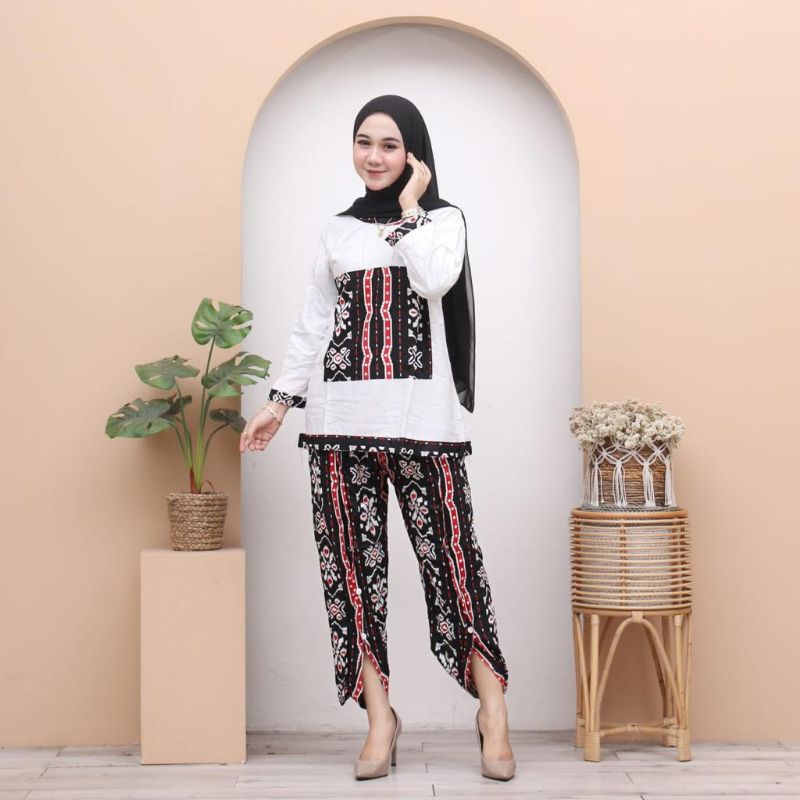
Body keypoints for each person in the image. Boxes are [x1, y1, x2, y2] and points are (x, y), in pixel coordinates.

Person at [240, 94, 515, 782]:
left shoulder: (441, 221)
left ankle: (493, 713)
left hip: (423, 428)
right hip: (337, 426)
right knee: (353, 577)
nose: (374, 156)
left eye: (390, 145)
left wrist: (412, 207)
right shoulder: (336, 231)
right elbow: (313, 323)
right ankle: (380, 719)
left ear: (414, 153)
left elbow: (436, 279)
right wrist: (279, 403)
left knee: (454, 567)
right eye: (364, 142)